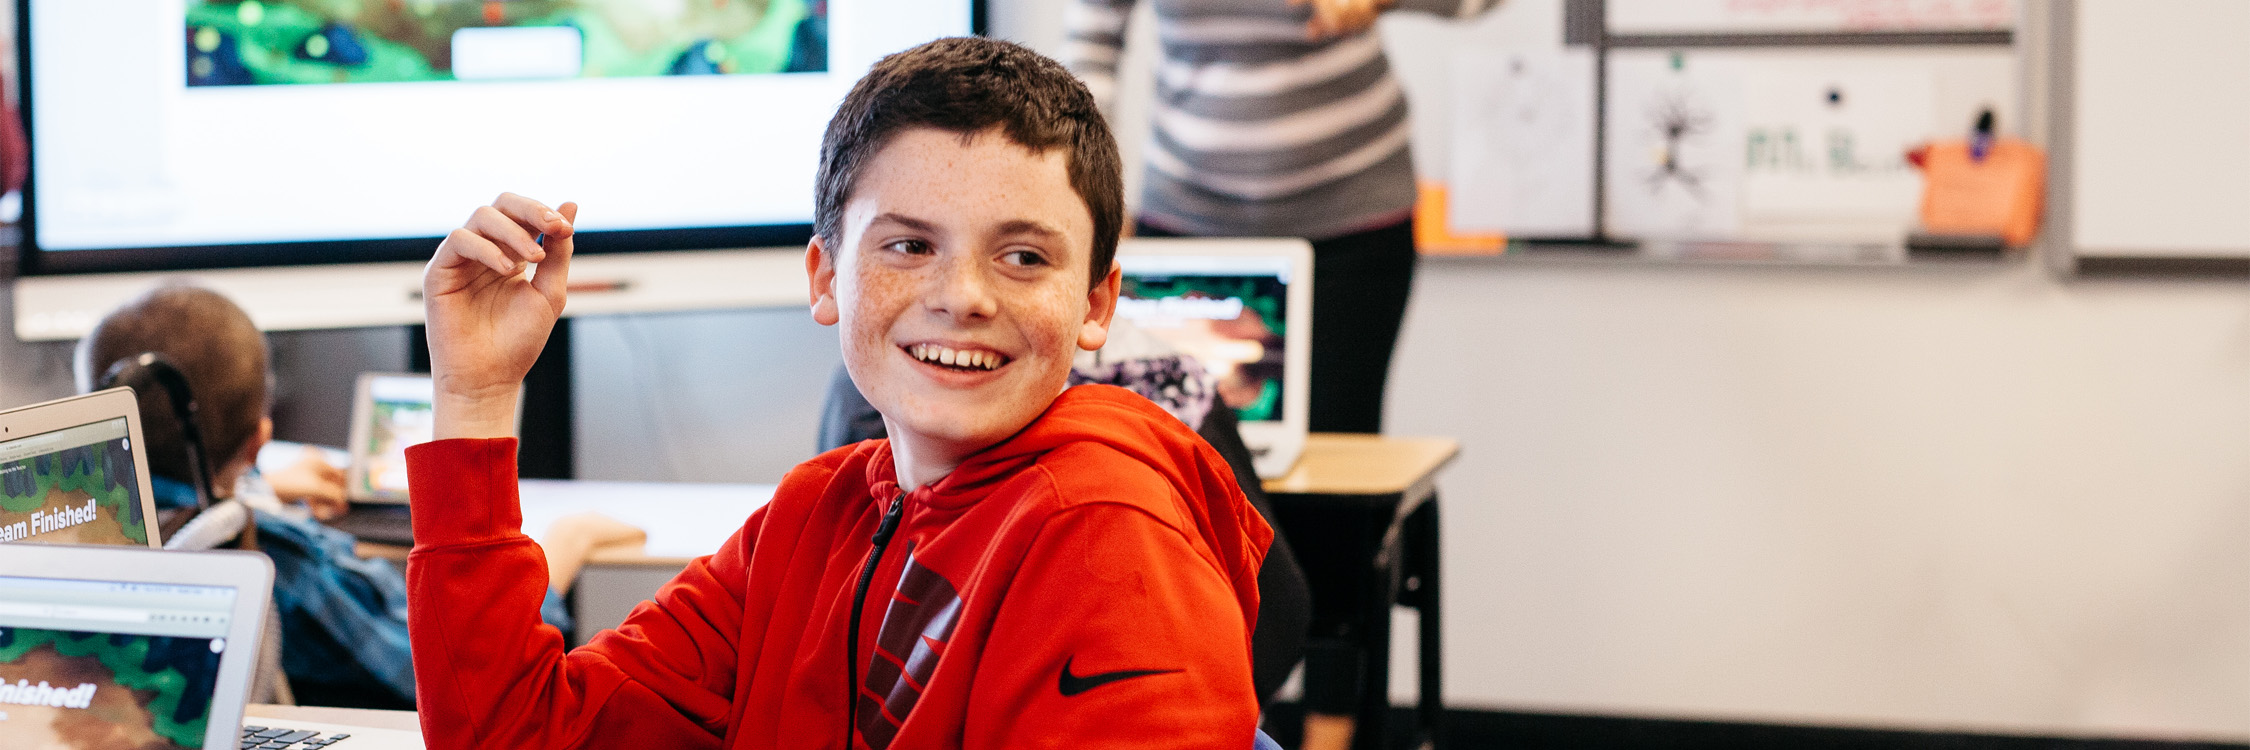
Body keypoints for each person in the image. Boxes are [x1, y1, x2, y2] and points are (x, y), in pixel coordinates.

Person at [403, 37, 1272, 748]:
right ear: (826, 277)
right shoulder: (814, 518)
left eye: (1024, 257)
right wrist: (475, 396)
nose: (964, 295)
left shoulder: (1109, 536)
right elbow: (513, 736)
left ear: (1094, 304)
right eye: (907, 246)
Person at [1066, 1, 1500, 745]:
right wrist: (1084, 208)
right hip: (1188, 225)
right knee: (1185, 475)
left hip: (1353, 221)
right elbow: (1091, 51)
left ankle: (1328, 733)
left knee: (1334, 482)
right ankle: (1213, 716)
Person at [75, 283, 642, 709]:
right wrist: (565, 545)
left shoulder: (80, 529)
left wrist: (262, 479)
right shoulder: (276, 556)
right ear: (258, 438)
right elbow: (454, 664)